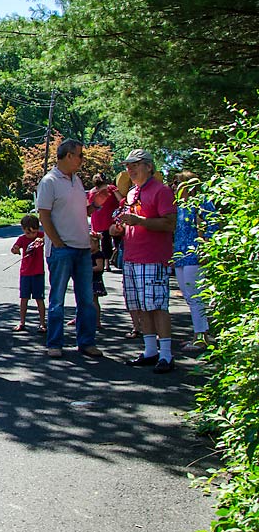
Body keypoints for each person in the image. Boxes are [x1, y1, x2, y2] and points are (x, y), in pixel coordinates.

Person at [109, 149, 178, 373]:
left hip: (153, 257)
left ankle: (166, 355)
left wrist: (139, 220)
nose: (130, 169)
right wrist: (119, 228)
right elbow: (127, 222)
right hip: (131, 257)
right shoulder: (131, 193)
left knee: (158, 306)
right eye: (128, 165)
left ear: (149, 166)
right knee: (140, 306)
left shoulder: (162, 191)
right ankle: (150, 351)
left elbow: (169, 224)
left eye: (135, 164)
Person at [35, 138, 102, 359]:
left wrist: (95, 205)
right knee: (57, 299)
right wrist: (57, 242)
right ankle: (54, 343)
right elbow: (43, 215)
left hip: (82, 248)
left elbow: (80, 212)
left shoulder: (77, 181)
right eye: (80, 155)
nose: (83, 160)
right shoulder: (49, 181)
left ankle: (86, 342)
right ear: (69, 156)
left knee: (86, 299)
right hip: (62, 249)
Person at [171, 171, 213, 352]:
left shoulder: (202, 202)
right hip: (180, 256)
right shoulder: (179, 205)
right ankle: (199, 334)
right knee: (189, 297)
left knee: (196, 297)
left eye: (177, 182)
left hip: (195, 255)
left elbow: (213, 224)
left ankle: (201, 338)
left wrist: (206, 248)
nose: (174, 186)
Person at [11, 214, 46, 333]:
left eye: (34, 232)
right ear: (23, 229)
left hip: (38, 272)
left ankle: (42, 323)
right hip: (25, 273)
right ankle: (22, 322)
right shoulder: (22, 238)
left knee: (39, 298)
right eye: (28, 233)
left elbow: (48, 237)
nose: (31, 235)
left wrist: (41, 239)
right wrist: (15, 249)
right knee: (24, 298)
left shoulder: (41, 236)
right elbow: (14, 248)